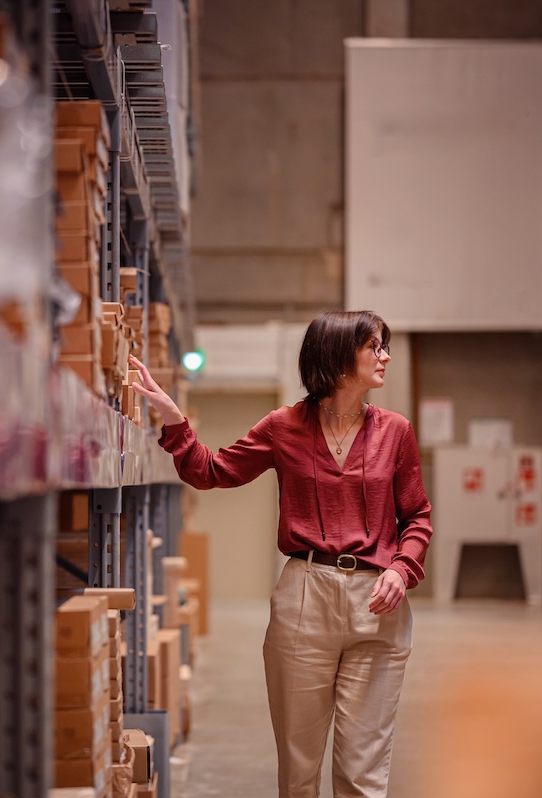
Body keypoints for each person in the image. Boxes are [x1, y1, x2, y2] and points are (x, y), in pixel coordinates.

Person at [129, 310, 433, 798]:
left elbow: (417, 515)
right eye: (374, 346)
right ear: (336, 355)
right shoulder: (283, 426)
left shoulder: (395, 431)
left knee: (363, 774)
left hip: (379, 602)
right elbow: (213, 471)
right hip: (304, 597)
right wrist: (173, 418)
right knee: (299, 772)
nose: (385, 356)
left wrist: (402, 567)